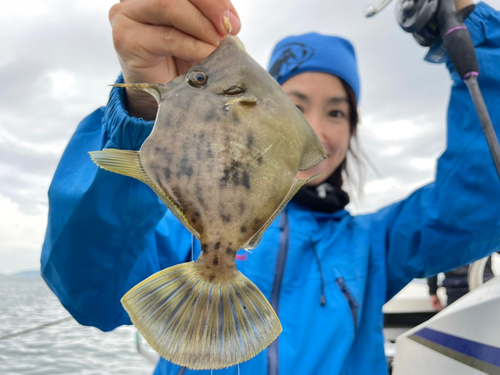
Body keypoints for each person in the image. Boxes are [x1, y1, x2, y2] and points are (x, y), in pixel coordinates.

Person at [40, 0, 500, 374]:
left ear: (353, 129)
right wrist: (142, 108)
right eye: (294, 106)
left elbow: (484, 198)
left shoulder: (374, 244)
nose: (315, 128)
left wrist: (472, 30)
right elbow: (89, 288)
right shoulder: (181, 231)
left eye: (336, 112)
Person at [428, 259, 495, 311]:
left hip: (455, 288)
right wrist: (433, 292)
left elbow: (433, 261)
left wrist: (433, 292)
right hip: (484, 287)